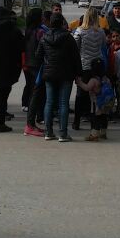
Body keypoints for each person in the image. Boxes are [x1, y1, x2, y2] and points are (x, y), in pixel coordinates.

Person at [37, 13, 79, 142]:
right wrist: (78, 73)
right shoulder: (68, 37)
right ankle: (63, 133)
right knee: (63, 103)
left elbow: (38, 55)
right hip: (66, 74)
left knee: (49, 102)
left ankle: (48, 132)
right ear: (62, 23)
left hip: (49, 73)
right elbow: (76, 56)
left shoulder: (45, 37)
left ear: (50, 23)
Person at [73, 8, 106, 130]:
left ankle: (76, 121)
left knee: (80, 94)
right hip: (97, 66)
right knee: (96, 95)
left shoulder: (80, 31)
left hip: (84, 65)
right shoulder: (101, 32)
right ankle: (95, 122)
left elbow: (76, 48)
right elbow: (103, 45)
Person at [76, 59, 115, 142]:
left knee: (95, 118)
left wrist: (79, 83)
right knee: (104, 117)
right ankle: (103, 133)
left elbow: (87, 88)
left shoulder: (94, 80)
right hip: (106, 102)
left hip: (96, 103)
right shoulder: (106, 79)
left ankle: (94, 135)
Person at [22, 8, 46, 136]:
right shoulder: (40, 32)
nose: (43, 17)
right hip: (38, 66)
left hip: (29, 66)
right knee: (36, 95)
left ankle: (31, 124)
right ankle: (30, 125)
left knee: (33, 94)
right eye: (41, 15)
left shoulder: (28, 31)